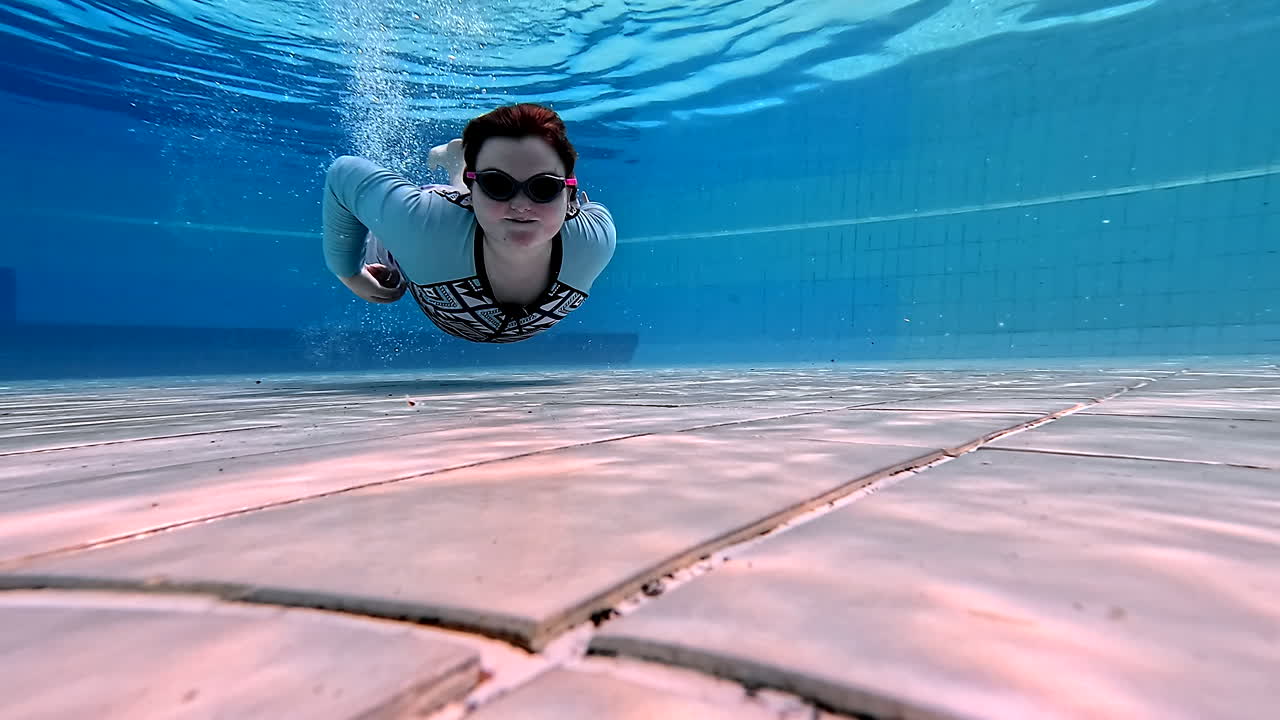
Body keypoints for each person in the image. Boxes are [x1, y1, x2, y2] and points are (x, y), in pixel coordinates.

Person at [321, 103, 617, 343]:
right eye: (497, 184)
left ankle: (462, 164)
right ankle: (462, 167)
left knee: (491, 212)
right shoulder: (421, 225)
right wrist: (351, 272)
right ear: (474, 190)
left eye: (544, 187)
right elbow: (342, 175)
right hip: (438, 224)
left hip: (474, 213)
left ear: (570, 195)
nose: (522, 205)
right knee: (400, 248)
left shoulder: (593, 240)